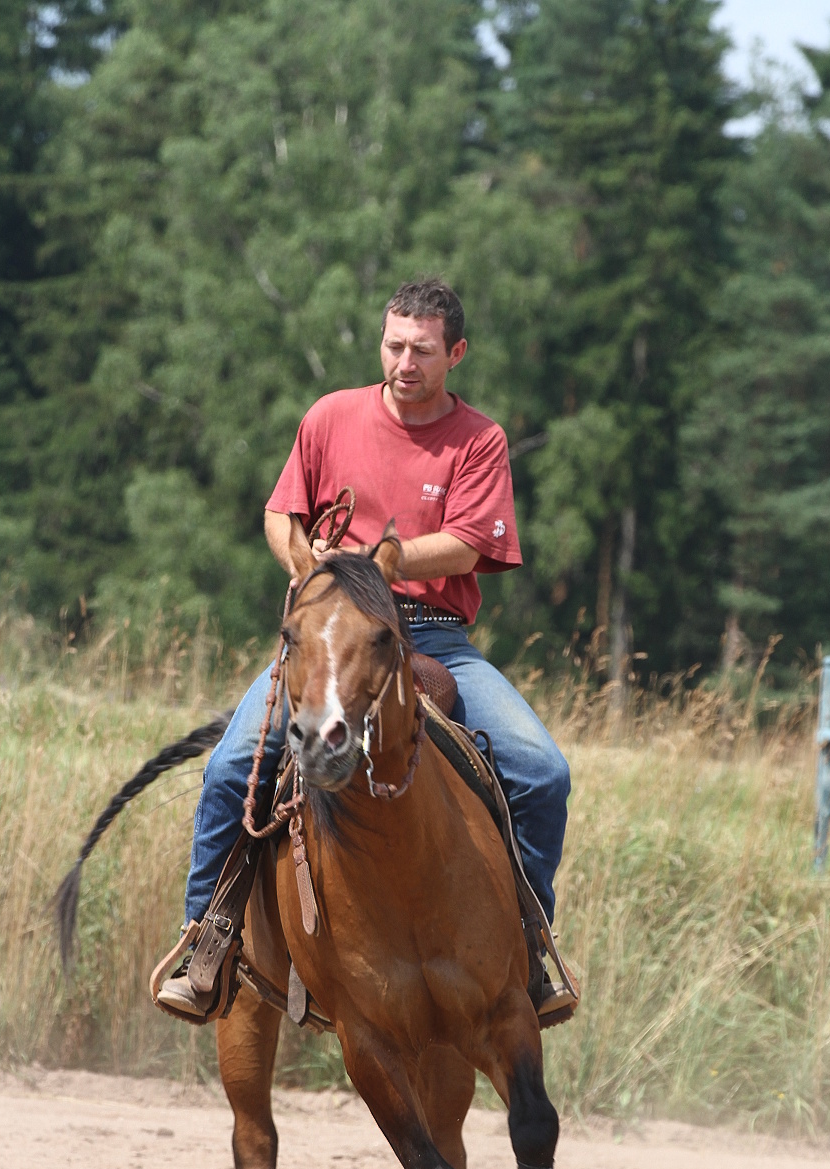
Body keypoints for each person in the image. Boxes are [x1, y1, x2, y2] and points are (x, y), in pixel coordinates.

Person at [158, 278, 572, 1019]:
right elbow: (280, 514)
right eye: (393, 344)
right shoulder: (329, 416)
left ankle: (525, 947)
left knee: (541, 772)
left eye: (421, 349)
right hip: (330, 632)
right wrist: (311, 567)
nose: (404, 361)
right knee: (229, 769)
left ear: (456, 354)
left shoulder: (479, 439)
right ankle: (208, 937)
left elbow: (469, 544)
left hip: (436, 635)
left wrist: (379, 562)